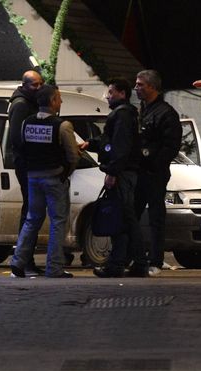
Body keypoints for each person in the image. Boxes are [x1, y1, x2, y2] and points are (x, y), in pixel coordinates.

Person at [79, 78, 149, 278]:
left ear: (122, 94)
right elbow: (110, 142)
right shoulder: (125, 115)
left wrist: (112, 172)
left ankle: (129, 263)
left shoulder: (122, 115)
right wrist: (90, 144)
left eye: (110, 92)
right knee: (124, 219)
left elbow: (120, 146)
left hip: (121, 174)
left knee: (123, 218)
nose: (107, 96)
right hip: (124, 173)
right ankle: (125, 263)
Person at [9, 84, 79, 278]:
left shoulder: (26, 123)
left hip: (33, 178)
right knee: (58, 221)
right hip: (54, 178)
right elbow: (73, 156)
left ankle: (18, 261)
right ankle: (54, 267)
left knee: (32, 219)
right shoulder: (62, 125)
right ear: (52, 101)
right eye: (59, 98)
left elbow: (22, 148)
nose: (61, 101)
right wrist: (65, 173)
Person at [133, 70, 182, 276]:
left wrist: (154, 163)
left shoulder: (165, 113)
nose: (136, 88)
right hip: (140, 171)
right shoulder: (142, 110)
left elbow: (171, 146)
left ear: (152, 87)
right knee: (132, 214)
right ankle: (133, 257)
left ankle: (155, 260)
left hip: (154, 173)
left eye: (140, 84)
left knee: (155, 216)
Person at [8, 70, 44, 275]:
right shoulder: (21, 105)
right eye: (34, 85)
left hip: (28, 164)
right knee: (31, 211)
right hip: (27, 165)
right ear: (24, 85)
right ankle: (24, 259)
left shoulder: (27, 103)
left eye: (40, 84)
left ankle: (25, 259)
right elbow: (16, 138)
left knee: (31, 210)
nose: (38, 88)